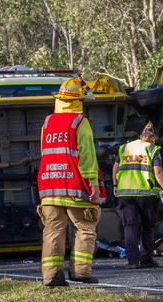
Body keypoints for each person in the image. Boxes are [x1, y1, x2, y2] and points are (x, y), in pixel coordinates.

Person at [36, 77, 105, 287]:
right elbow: (87, 156)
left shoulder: (47, 122)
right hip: (74, 187)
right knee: (85, 227)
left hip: (48, 187)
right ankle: (81, 273)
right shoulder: (79, 122)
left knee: (52, 231)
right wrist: (93, 185)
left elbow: (44, 154)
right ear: (78, 101)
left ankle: (51, 276)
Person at [113, 122, 163, 269]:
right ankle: (146, 259)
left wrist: (115, 185)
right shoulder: (153, 149)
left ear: (141, 136)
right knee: (147, 226)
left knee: (130, 227)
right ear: (154, 138)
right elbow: (158, 172)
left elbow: (115, 168)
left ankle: (132, 261)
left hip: (125, 193)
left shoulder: (124, 148)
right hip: (146, 194)